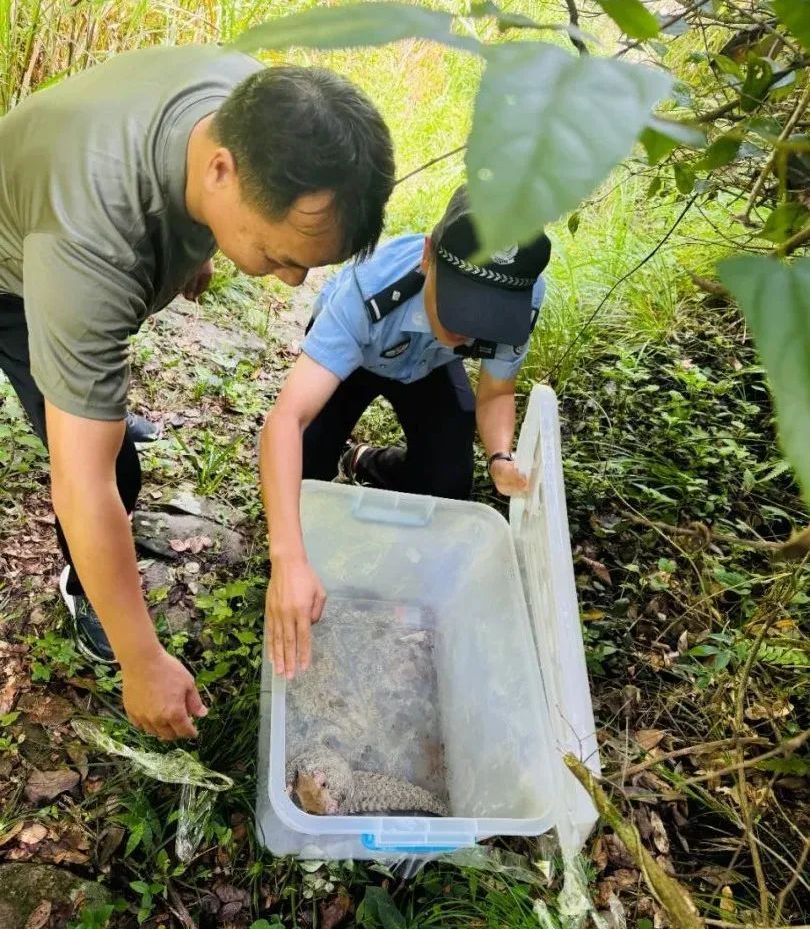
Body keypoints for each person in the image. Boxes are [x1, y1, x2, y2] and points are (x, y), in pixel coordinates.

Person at [0, 44, 394, 741]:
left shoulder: (256, 104)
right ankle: (86, 592)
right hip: (15, 269)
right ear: (220, 171)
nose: (292, 282)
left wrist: (203, 248)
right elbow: (78, 484)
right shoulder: (90, 248)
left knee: (100, 414)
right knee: (108, 467)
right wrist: (143, 660)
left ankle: (100, 407)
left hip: (65, 198)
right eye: (281, 256)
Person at [261, 185, 550, 679]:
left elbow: (497, 393)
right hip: (360, 355)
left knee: (449, 483)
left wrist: (500, 456)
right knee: (306, 462)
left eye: (487, 315)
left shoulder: (521, 295)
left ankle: (368, 460)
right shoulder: (366, 294)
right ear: (427, 257)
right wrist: (286, 557)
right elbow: (284, 420)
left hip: (430, 366)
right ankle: (301, 555)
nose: (468, 329)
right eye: (460, 305)